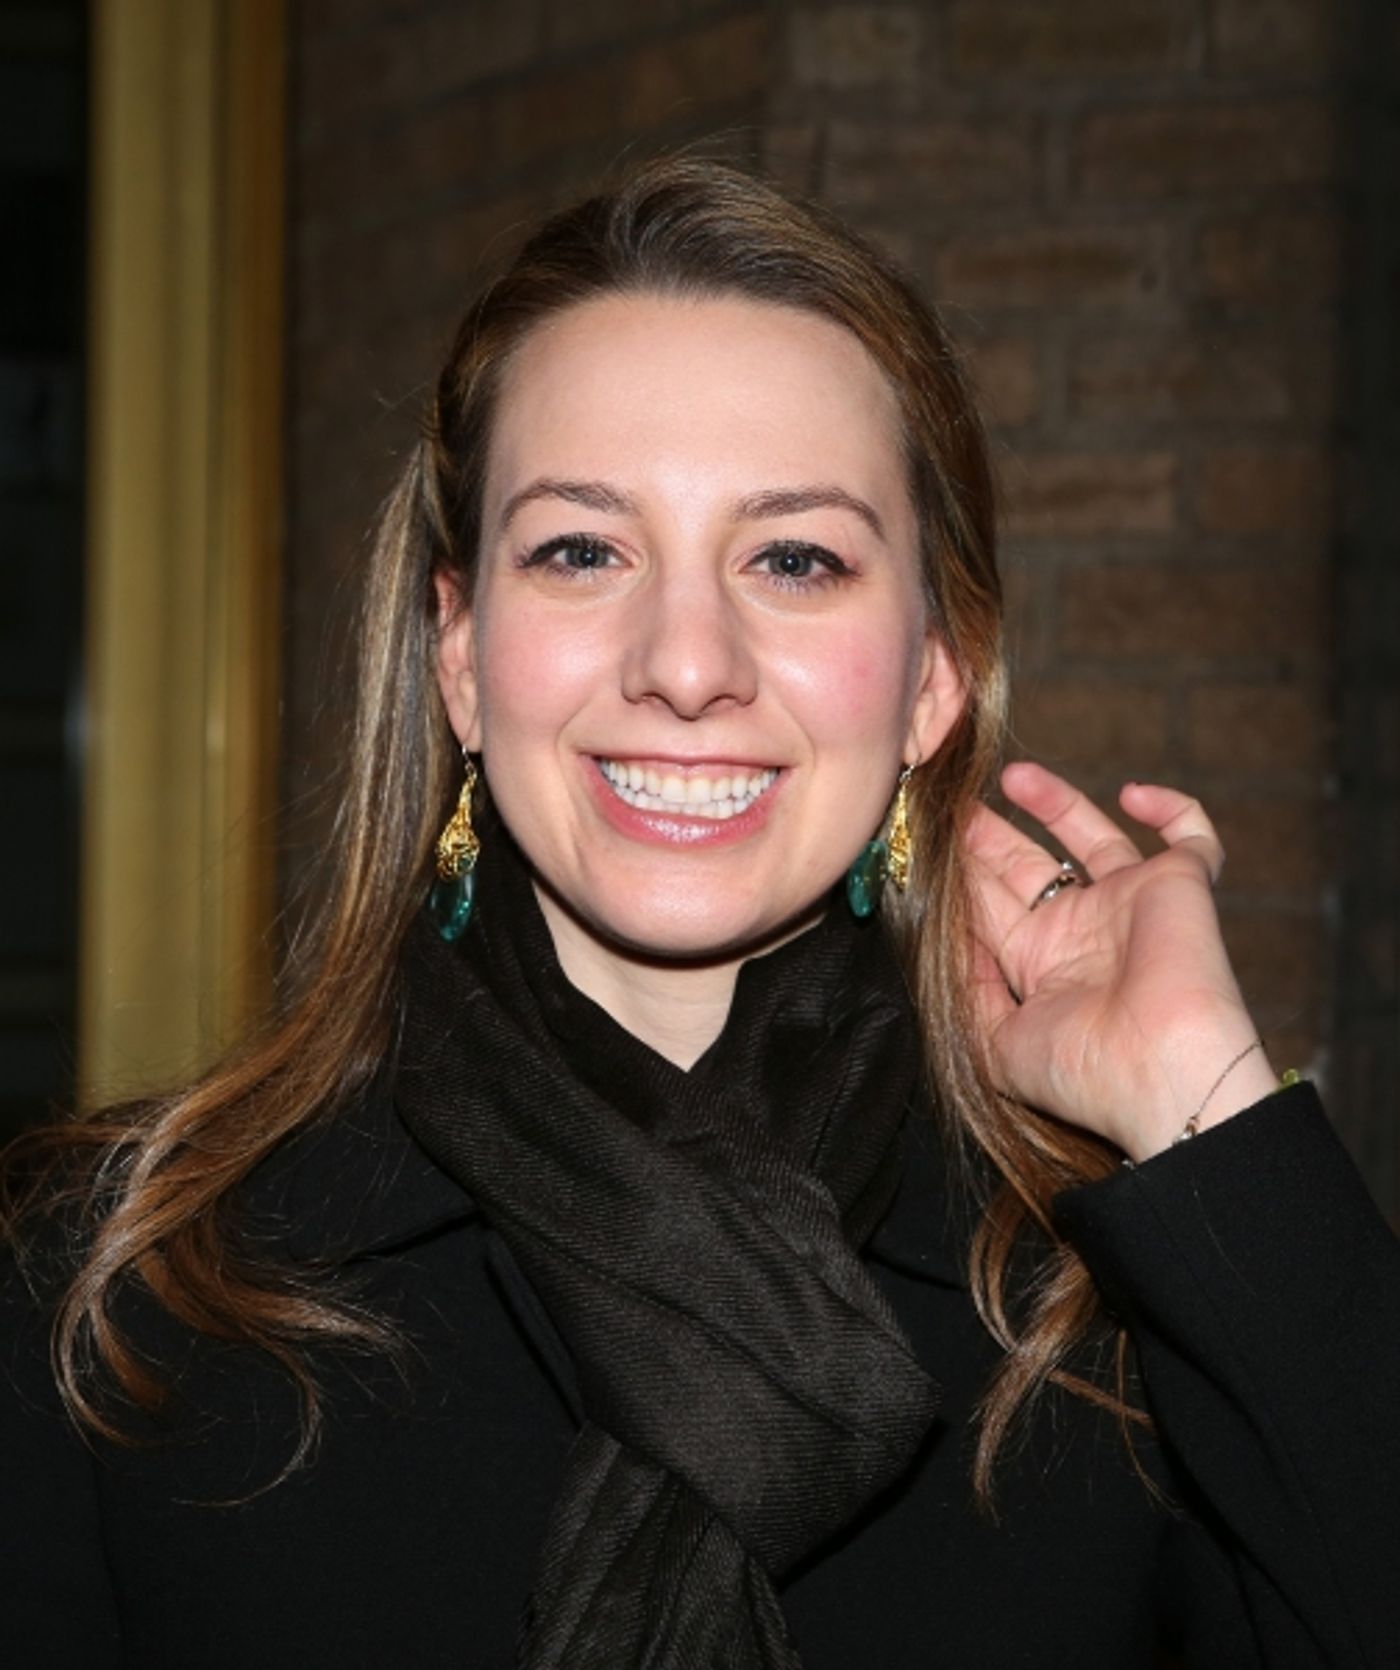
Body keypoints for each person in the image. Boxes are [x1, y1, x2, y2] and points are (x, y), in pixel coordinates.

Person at [3, 157, 1397, 1670]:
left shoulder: (1112, 1325)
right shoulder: (127, 1284)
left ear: (933, 676)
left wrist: (1204, 1107)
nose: (685, 659)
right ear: (460, 655)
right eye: (583, 549)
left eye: (794, 558)